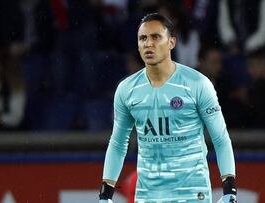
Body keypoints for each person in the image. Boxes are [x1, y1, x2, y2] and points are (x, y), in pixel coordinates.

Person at [99, 13, 237, 203]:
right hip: (148, 196)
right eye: (143, 38)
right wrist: (105, 196)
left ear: (172, 42)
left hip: (192, 195)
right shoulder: (127, 89)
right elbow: (117, 143)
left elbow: (220, 139)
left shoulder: (197, 84)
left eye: (156, 37)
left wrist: (230, 190)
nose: (148, 43)